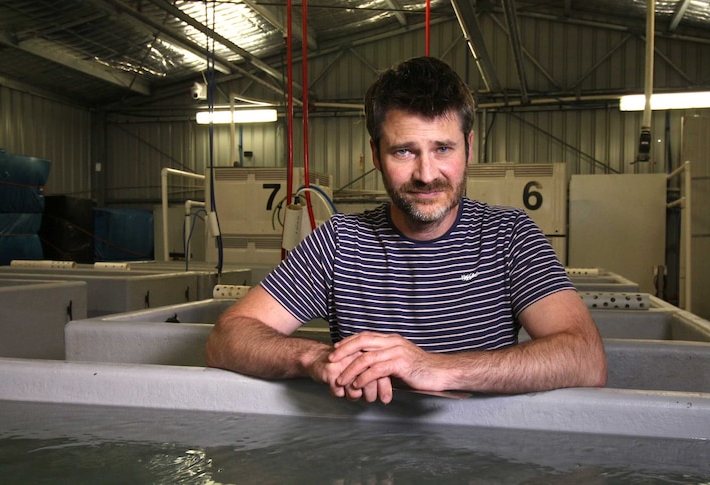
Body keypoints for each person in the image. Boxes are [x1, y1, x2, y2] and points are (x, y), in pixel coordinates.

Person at [205, 56, 607, 404]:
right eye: (404, 151)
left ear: (470, 147)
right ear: (376, 155)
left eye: (443, 149)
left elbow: (585, 358)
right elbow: (227, 338)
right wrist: (313, 358)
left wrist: (436, 369)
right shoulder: (339, 243)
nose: (426, 174)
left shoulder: (510, 237)